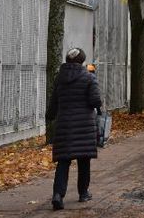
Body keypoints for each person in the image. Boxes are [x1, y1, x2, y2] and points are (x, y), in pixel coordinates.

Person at [45, 47, 102, 211]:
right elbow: (95, 102)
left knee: (63, 161)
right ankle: (83, 193)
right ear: (82, 60)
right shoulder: (89, 77)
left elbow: (54, 101)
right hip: (84, 126)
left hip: (64, 125)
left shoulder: (59, 78)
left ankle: (58, 195)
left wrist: (50, 116)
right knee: (84, 160)